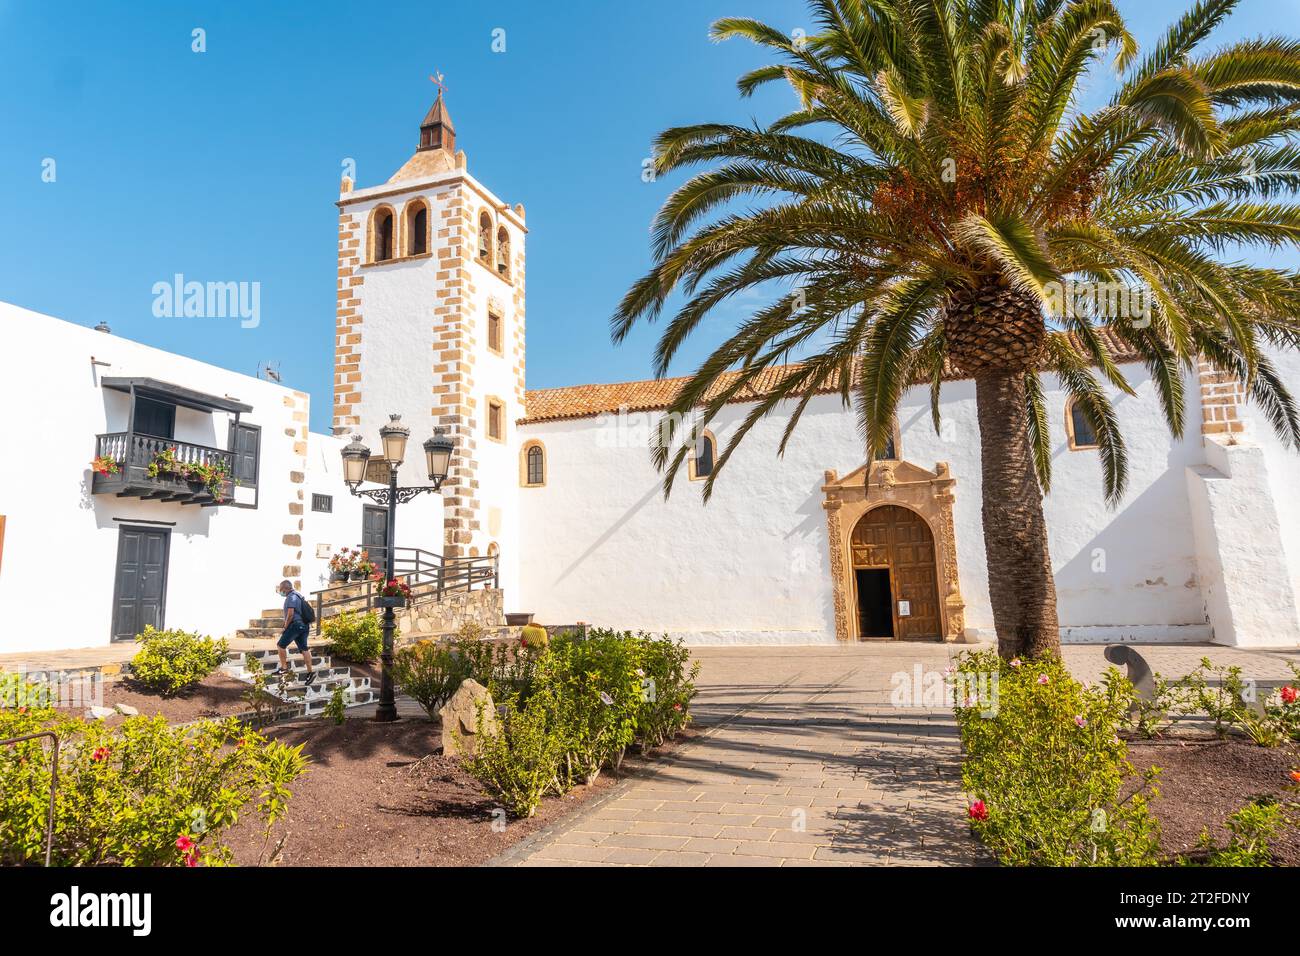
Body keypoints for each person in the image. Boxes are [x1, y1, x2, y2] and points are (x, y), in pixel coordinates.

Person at [275, 579, 316, 686]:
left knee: (280, 645)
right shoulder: (298, 595)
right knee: (304, 648)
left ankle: (284, 668)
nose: (280, 591)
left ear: (285, 588)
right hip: (304, 626)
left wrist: (285, 626)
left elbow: (290, 614)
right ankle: (310, 672)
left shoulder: (291, 597)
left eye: (281, 589)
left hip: (295, 625)